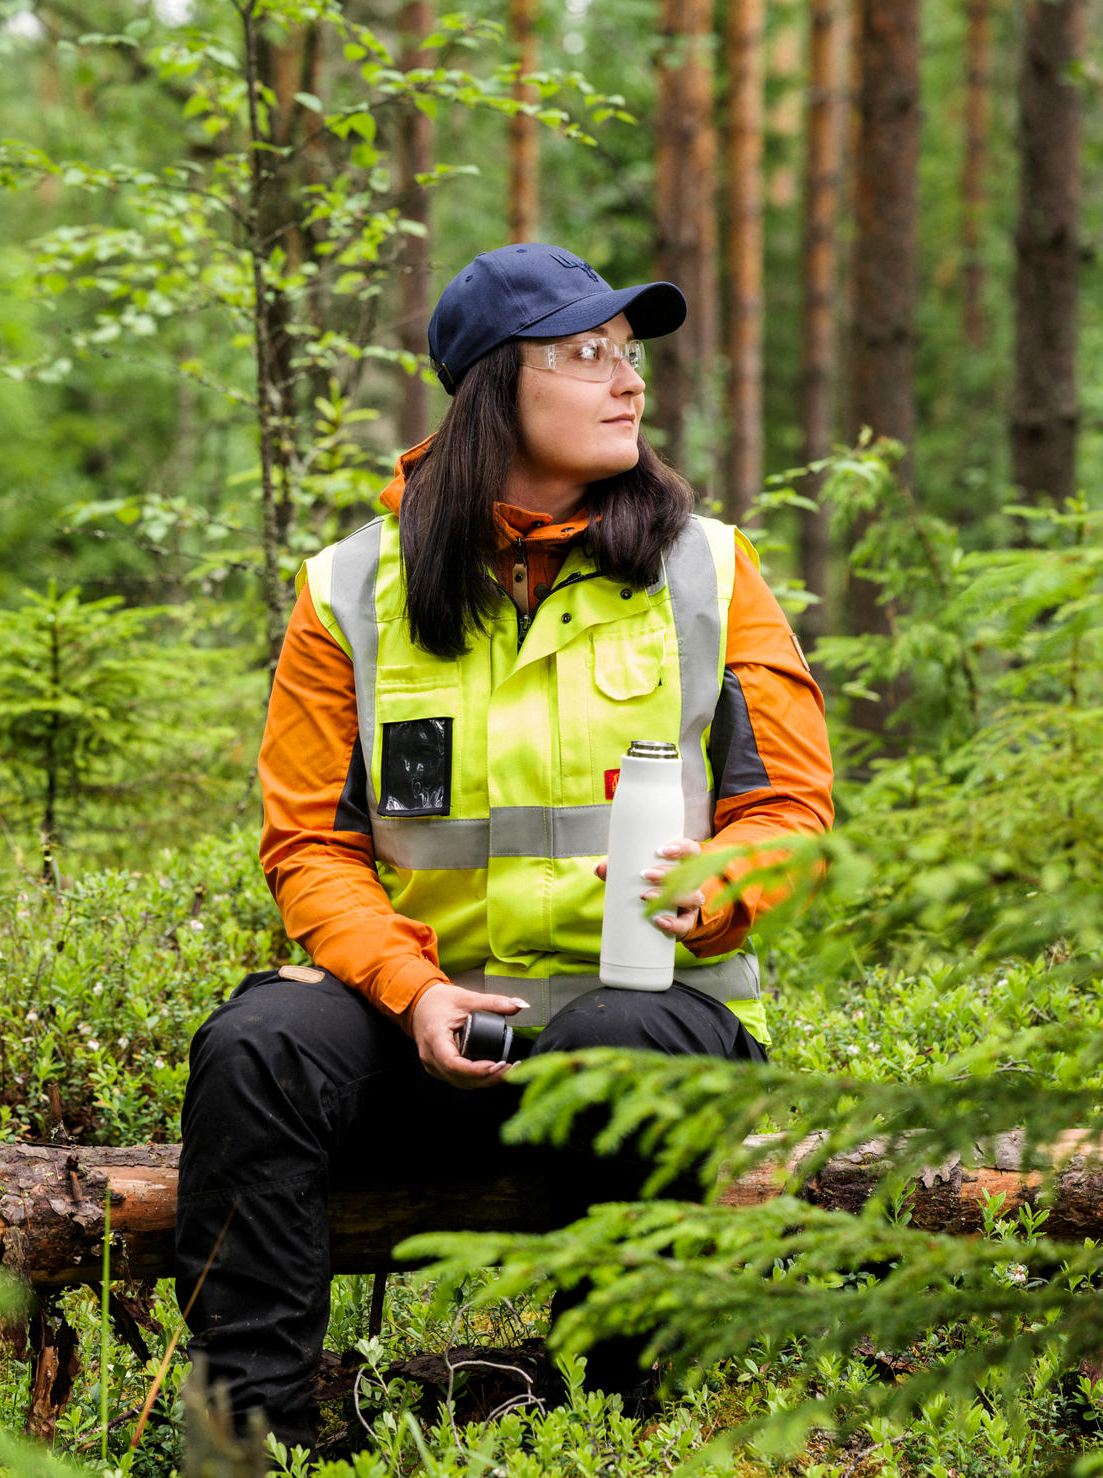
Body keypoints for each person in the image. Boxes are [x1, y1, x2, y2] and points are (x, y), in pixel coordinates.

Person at [173, 242, 835, 1452]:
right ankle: (249, 1437)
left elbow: (789, 809)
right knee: (256, 1042)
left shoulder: (709, 569)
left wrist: (716, 887)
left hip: (641, 1012)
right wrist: (411, 989)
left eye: (627, 355)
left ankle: (605, 1420)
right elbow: (309, 844)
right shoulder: (346, 589)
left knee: (617, 1040)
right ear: (493, 388)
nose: (625, 381)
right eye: (585, 355)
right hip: (421, 1023)